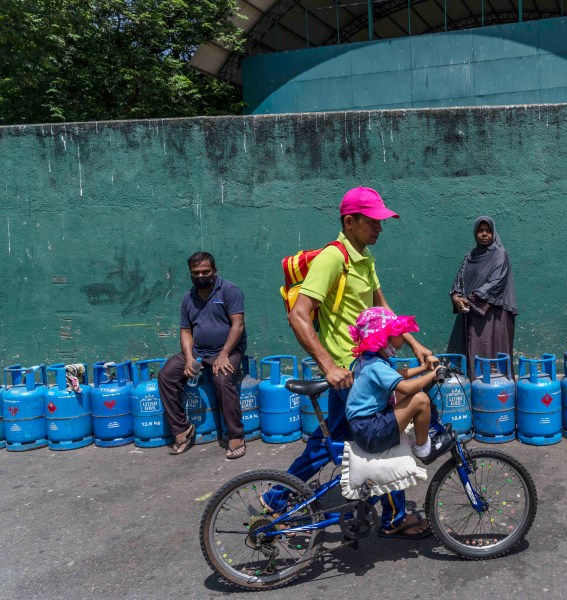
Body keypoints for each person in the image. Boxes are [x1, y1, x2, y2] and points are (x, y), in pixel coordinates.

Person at [262, 187, 433, 540]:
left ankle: (276, 495)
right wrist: (328, 366)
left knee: (335, 440)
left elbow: (382, 307)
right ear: (350, 221)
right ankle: (394, 516)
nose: (380, 228)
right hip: (350, 373)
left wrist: (415, 344)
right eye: (373, 221)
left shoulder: (364, 258)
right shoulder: (332, 259)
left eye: (381, 221)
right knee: (384, 437)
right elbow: (299, 315)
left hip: (364, 367)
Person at [159, 252, 247, 458]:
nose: (201, 276)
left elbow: (238, 324)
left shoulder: (229, 290)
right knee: (166, 375)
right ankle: (182, 429)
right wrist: (189, 358)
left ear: (214, 271)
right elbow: (186, 330)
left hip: (228, 349)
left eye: (205, 271)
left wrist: (224, 354)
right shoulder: (188, 298)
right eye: (195, 273)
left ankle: (236, 435)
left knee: (223, 380)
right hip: (199, 352)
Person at [345, 307, 454, 462]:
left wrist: (424, 368)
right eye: (398, 332)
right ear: (385, 337)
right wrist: (435, 373)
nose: (402, 335)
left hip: (364, 427)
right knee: (421, 399)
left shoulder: (369, 360)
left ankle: (426, 430)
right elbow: (406, 387)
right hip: (370, 431)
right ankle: (423, 450)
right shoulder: (375, 365)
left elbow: (396, 377)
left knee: (406, 392)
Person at [450, 216, 517, 376]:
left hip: (495, 315)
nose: (484, 234)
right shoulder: (469, 257)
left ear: (493, 233)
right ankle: (478, 391)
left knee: (495, 356)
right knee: (476, 355)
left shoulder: (501, 254)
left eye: (488, 231)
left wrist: (471, 299)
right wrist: (457, 297)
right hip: (472, 313)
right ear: (475, 233)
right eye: (481, 231)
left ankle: (500, 395)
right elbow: (459, 280)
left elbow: (497, 282)